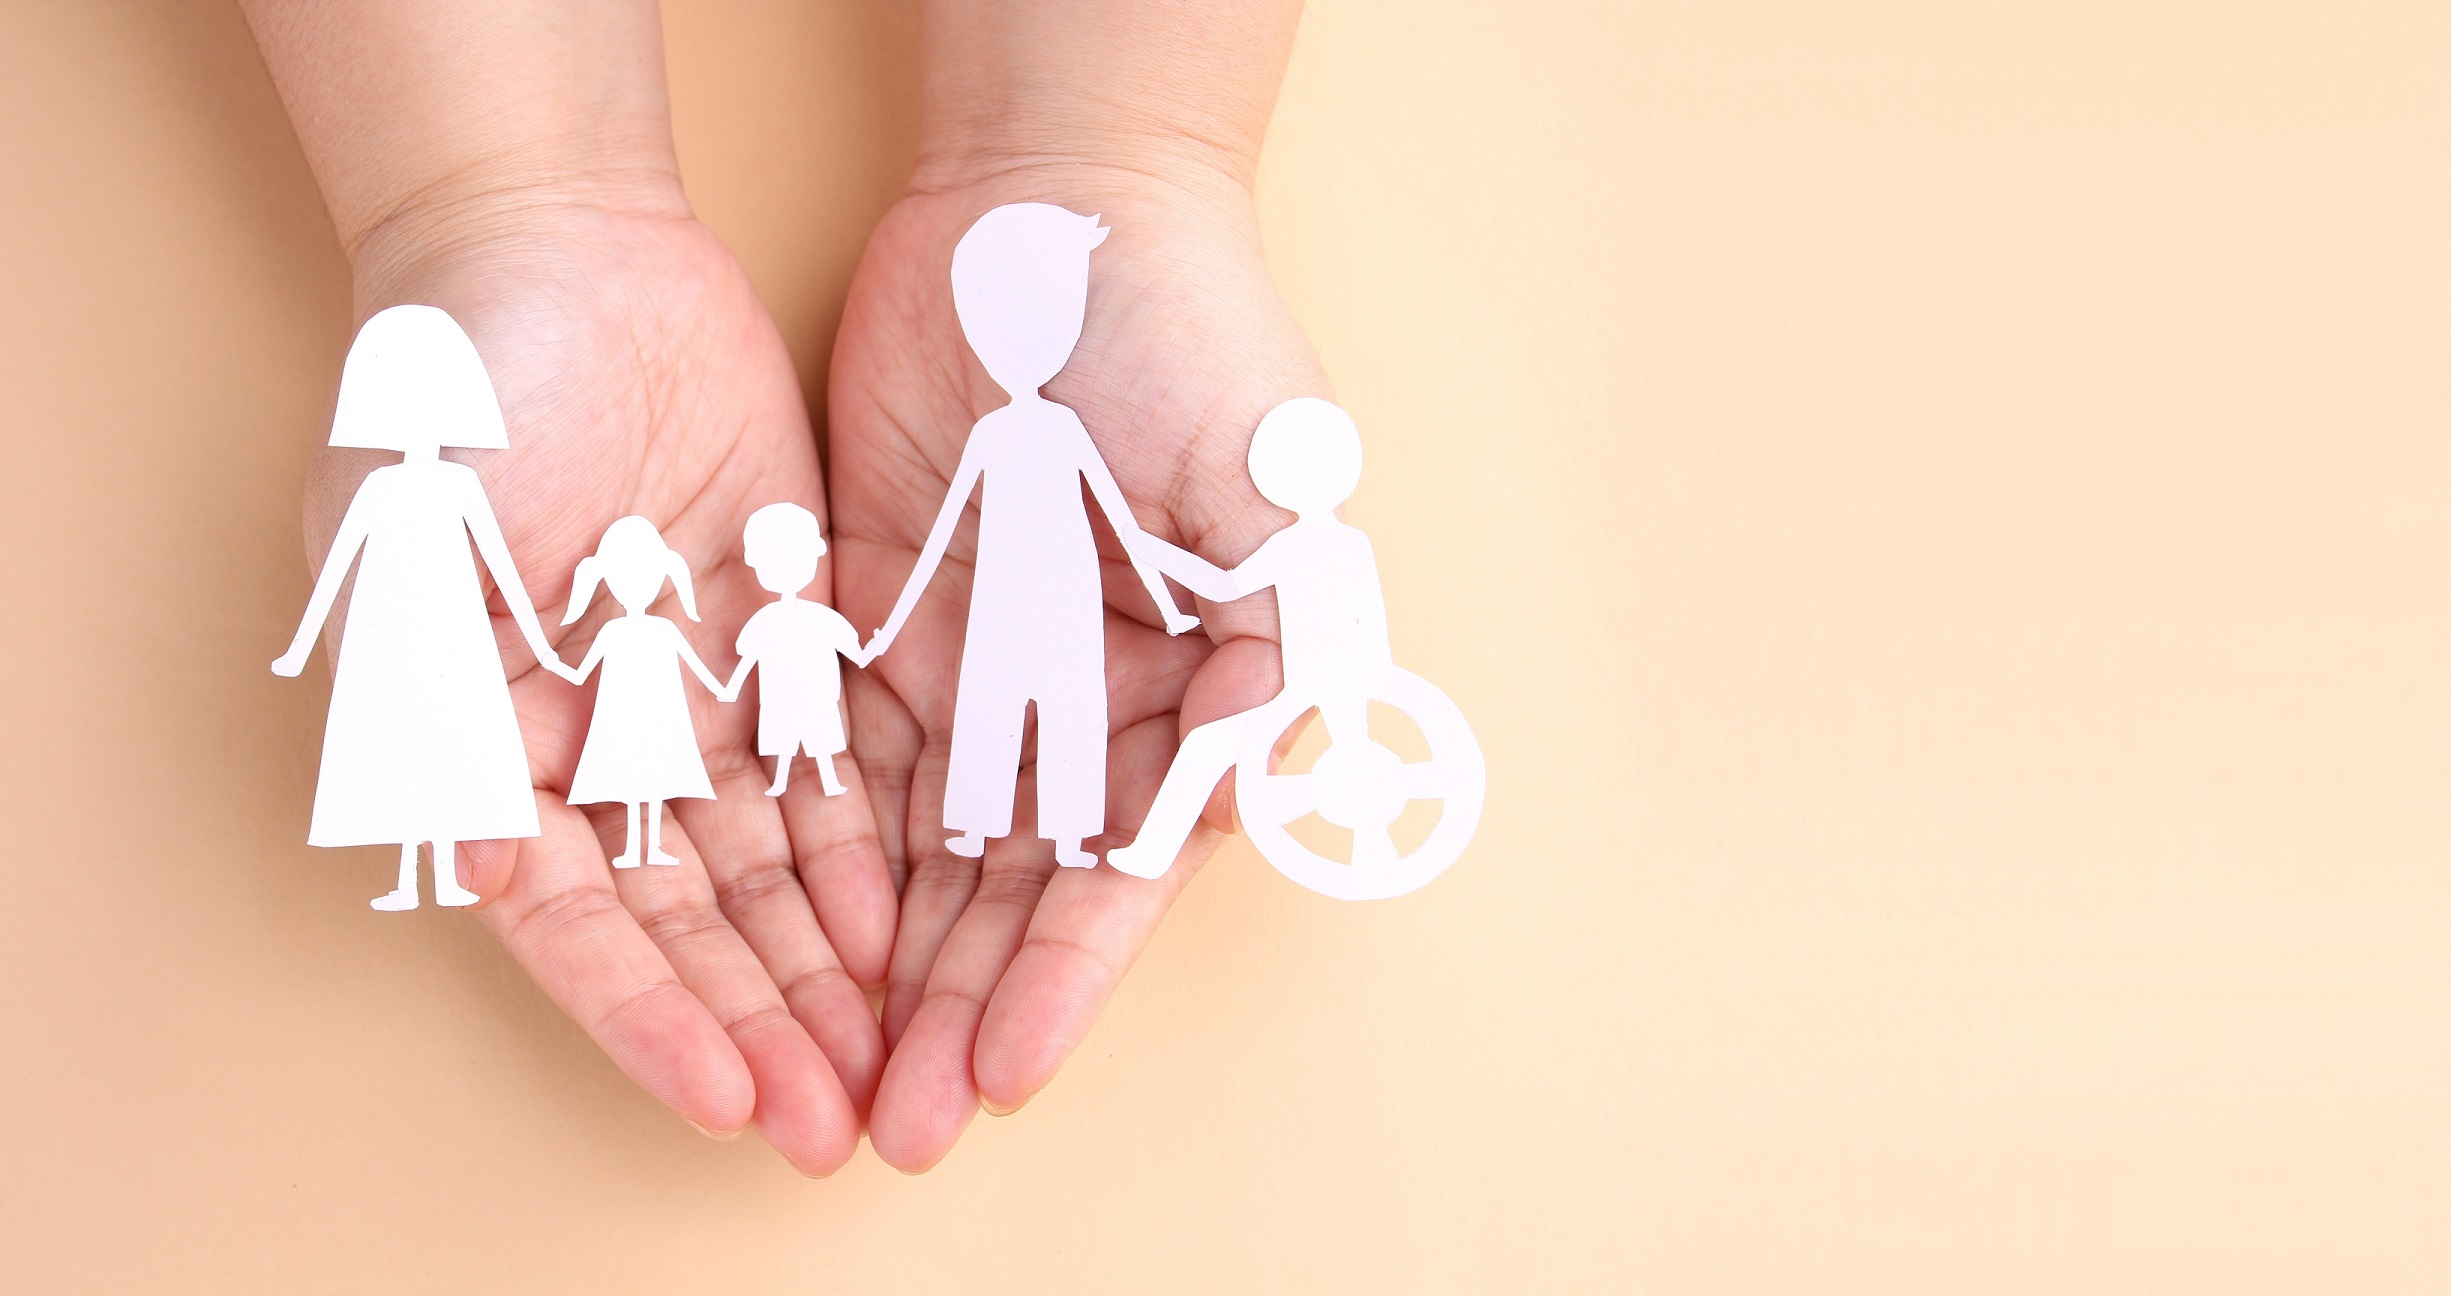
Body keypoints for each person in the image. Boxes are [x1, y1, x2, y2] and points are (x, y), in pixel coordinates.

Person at [865, 203, 1201, 870]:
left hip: (1060, 590)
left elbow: (1119, 518)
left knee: (1055, 700)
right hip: (1009, 592)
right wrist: (891, 625)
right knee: (1005, 699)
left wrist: (1167, 604)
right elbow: (939, 535)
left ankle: (1063, 828)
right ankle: (985, 824)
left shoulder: (1048, 429)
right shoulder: (998, 433)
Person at [272, 304, 572, 912]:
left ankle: (445, 877)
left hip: (451, 630)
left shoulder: (461, 485)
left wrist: (543, 646)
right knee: (401, 739)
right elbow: (338, 568)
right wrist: (300, 645)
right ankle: (407, 877)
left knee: (443, 740)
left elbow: (501, 563)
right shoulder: (376, 486)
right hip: (388, 630)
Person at [1106, 399, 1391, 879]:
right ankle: (1156, 853)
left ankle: (1166, 848)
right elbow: (1226, 586)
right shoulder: (1321, 543)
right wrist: (1151, 550)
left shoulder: (1314, 545)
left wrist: (1371, 682)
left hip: (1322, 684)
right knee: (1211, 749)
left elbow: (1226, 587)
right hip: (1309, 685)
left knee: (1214, 750)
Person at [561, 515, 727, 869]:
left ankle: (652, 849)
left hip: (659, 715)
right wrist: (552, 662)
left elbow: (694, 662)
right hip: (624, 717)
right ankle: (633, 848)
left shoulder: (663, 629)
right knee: (634, 780)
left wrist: (719, 688)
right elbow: (580, 674)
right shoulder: (611, 631)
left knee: (651, 780)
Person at [723, 503, 872, 798]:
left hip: (816, 691)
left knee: (820, 737)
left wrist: (868, 654)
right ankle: (780, 782)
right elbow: (749, 656)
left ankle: (829, 781)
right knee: (783, 736)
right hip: (781, 692)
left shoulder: (819, 617)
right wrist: (732, 687)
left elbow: (853, 650)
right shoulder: (767, 619)